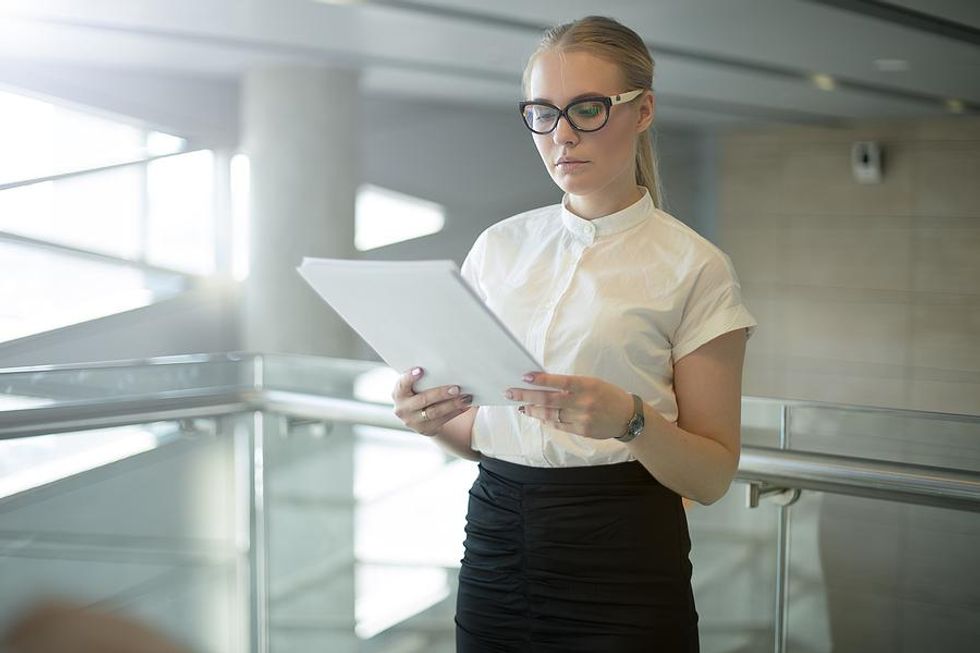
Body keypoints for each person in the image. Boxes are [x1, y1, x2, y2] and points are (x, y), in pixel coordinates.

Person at [391, 14, 757, 653]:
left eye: (588, 109)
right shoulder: (497, 249)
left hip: (624, 554)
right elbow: (487, 436)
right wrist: (429, 418)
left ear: (642, 111)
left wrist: (631, 419)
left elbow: (711, 476)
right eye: (543, 112)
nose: (562, 135)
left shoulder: (695, 266)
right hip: (496, 539)